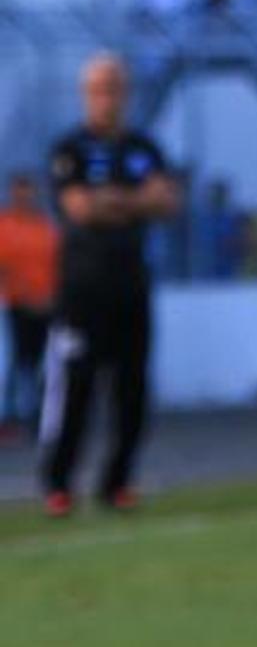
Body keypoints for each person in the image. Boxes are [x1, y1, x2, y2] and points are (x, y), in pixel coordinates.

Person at [39, 54, 179, 518]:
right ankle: (58, 484)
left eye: (115, 87)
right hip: (82, 288)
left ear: (126, 92)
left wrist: (114, 201)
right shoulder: (70, 149)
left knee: (132, 390)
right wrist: (135, 200)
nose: (107, 97)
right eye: (99, 89)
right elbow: (80, 209)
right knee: (74, 388)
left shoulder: (144, 146)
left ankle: (117, 482)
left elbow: (167, 200)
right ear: (86, 94)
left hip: (131, 285)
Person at [0, 172, 59, 439]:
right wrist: (24, 295)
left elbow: (58, 264)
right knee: (17, 361)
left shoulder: (45, 226)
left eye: (29, 191)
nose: (25, 197)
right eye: (19, 191)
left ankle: (39, 417)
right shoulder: (5, 226)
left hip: (47, 306)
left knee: (42, 363)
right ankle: (10, 416)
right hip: (16, 304)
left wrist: (51, 299)